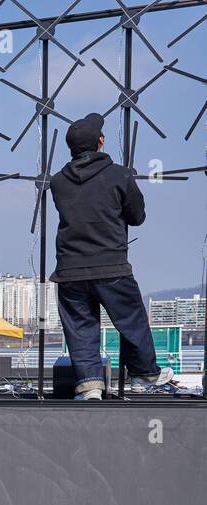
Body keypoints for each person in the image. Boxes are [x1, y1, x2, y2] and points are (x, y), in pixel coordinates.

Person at [50, 112, 173, 400]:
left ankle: (90, 384)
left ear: (71, 148)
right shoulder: (119, 175)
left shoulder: (57, 182)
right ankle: (144, 372)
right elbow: (137, 216)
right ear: (101, 142)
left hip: (70, 268)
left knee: (80, 327)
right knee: (131, 319)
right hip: (111, 264)